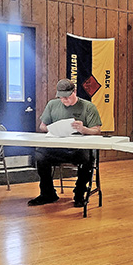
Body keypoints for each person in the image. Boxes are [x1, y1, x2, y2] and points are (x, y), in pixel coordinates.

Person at [28, 79, 102, 207]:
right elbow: (42, 126)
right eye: (61, 98)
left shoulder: (88, 107)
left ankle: (80, 193)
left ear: (74, 92)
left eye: (67, 97)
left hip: (79, 148)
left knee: (88, 158)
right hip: (58, 147)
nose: (64, 100)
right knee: (40, 155)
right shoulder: (52, 105)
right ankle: (48, 193)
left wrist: (83, 129)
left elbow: (97, 130)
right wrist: (53, 128)